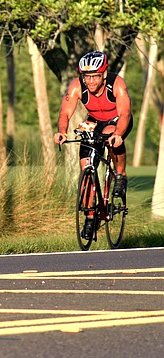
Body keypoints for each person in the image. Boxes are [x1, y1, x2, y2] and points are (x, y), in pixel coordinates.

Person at [54, 50, 132, 240]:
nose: (90, 81)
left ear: (104, 74)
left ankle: (120, 174)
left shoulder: (117, 84)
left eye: (95, 76)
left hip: (117, 122)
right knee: (86, 167)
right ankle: (90, 216)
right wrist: (62, 131)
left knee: (109, 135)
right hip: (94, 122)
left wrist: (118, 134)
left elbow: (125, 114)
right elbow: (65, 113)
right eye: (86, 76)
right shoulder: (77, 86)